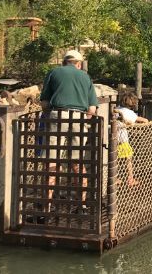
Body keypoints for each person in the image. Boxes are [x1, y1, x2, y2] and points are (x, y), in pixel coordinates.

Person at [39, 50, 99, 210]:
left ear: (64, 62)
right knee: (77, 161)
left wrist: (50, 116)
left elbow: (44, 103)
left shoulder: (53, 72)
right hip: (79, 117)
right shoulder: (85, 77)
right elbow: (92, 110)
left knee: (51, 160)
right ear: (78, 64)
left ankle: (47, 205)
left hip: (57, 114)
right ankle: (82, 204)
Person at [115, 92, 148, 187]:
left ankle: (115, 178)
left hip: (114, 138)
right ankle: (130, 179)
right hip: (122, 139)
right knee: (128, 159)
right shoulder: (128, 112)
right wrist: (145, 120)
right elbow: (137, 118)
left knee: (115, 159)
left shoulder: (117, 109)